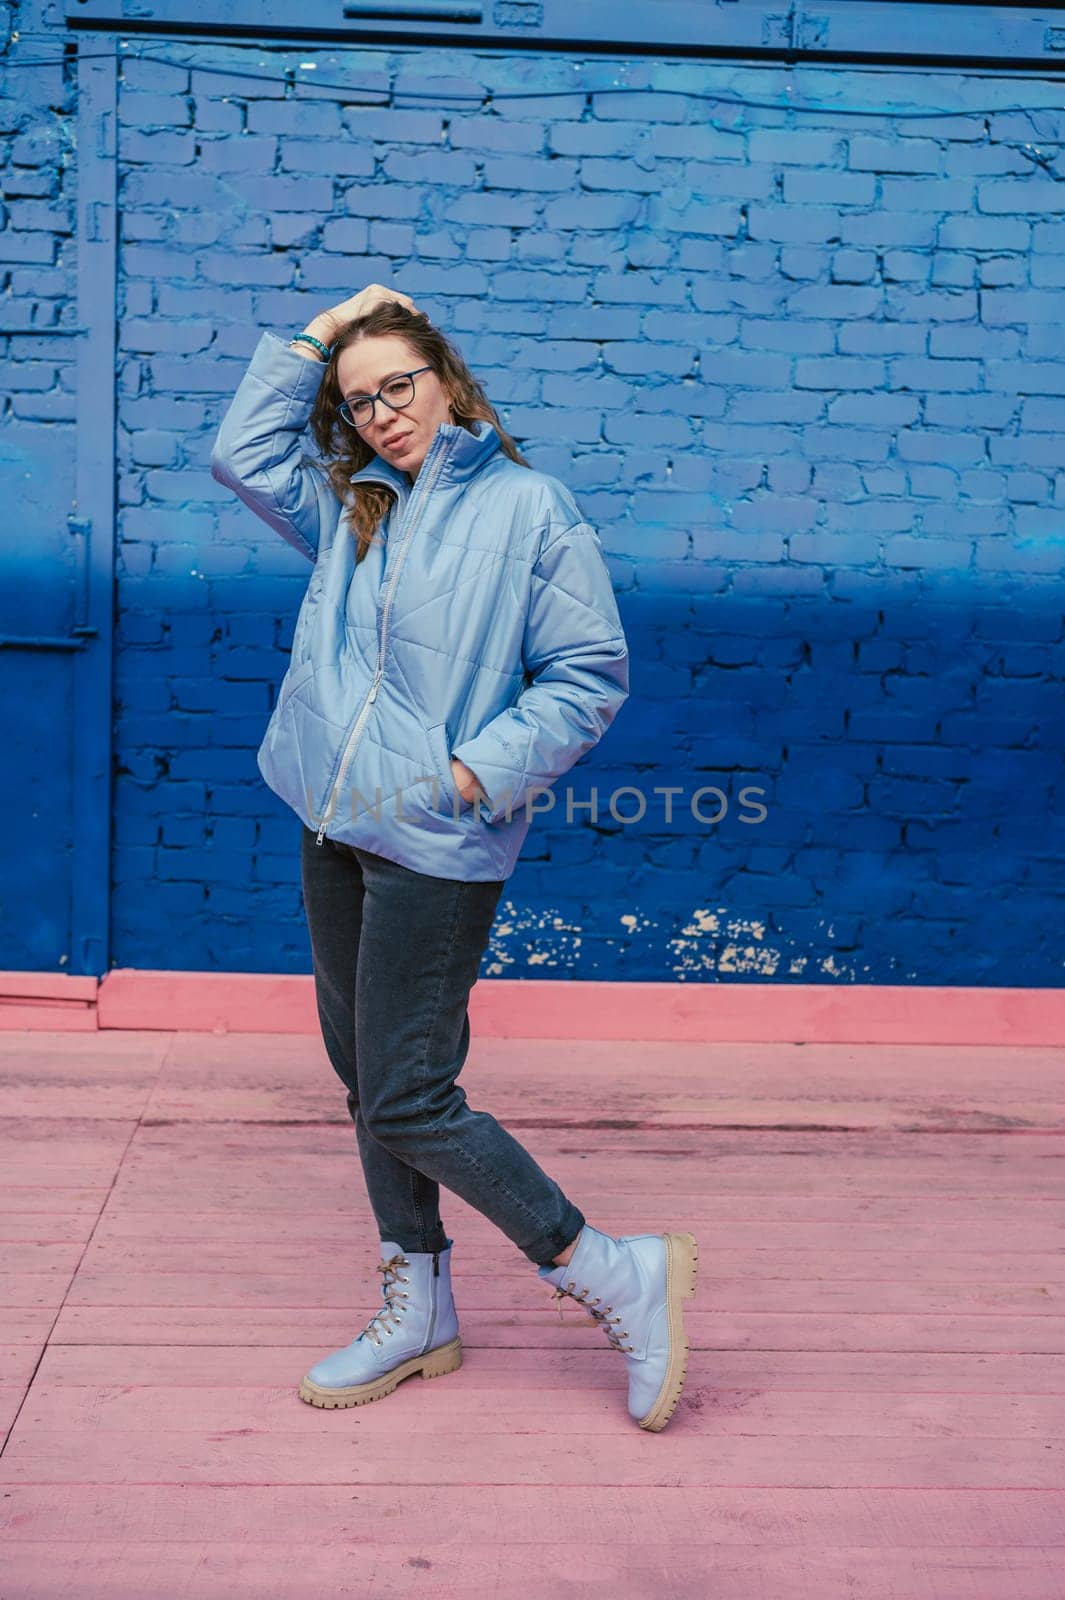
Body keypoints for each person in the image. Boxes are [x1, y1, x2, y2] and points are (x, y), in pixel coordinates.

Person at [209, 283, 698, 1432]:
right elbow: (238, 453)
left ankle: (607, 1264)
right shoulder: (351, 505)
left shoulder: (530, 506)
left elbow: (589, 672)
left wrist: (472, 775)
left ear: (449, 382)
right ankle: (418, 1299)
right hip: (332, 824)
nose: (380, 412)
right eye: (358, 397)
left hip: (435, 837)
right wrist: (327, 329)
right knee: (366, 1082)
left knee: (408, 1092)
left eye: (400, 386)